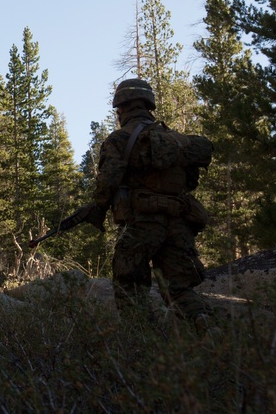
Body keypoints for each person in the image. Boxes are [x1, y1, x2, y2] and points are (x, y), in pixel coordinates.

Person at [92, 78, 215, 328]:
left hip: (143, 224)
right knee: (180, 290)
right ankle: (205, 328)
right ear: (148, 104)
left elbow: (108, 181)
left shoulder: (118, 140)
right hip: (179, 223)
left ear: (121, 107)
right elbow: (190, 182)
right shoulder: (177, 141)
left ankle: (143, 344)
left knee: (130, 287)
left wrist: (96, 207)